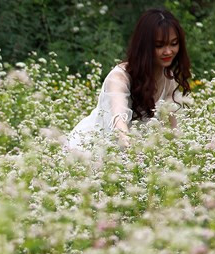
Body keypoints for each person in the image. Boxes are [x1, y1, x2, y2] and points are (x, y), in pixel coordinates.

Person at [67, 8, 191, 150]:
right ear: (145, 46)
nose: (168, 51)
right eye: (159, 45)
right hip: (90, 148)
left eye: (174, 44)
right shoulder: (119, 78)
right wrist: (128, 146)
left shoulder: (168, 80)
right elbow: (118, 119)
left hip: (133, 154)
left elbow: (174, 130)